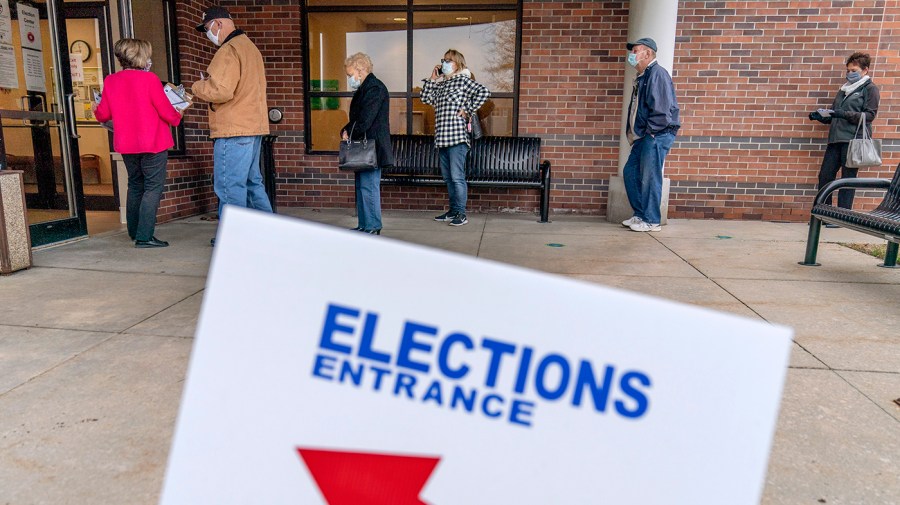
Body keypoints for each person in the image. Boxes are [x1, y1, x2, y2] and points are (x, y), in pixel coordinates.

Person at [191, 6, 272, 246]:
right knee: (251, 182)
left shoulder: (228, 50)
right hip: (253, 126)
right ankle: (270, 231)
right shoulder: (250, 48)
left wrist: (197, 87)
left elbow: (221, 90)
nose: (208, 33)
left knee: (229, 186)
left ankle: (233, 237)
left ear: (218, 24)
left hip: (234, 129)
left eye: (207, 28)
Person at [94, 38, 182, 248]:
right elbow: (166, 112)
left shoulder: (111, 81)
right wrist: (178, 113)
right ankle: (144, 236)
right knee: (153, 188)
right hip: (153, 142)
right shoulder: (149, 79)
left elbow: (103, 113)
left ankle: (134, 232)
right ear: (140, 56)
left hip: (127, 144)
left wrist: (95, 110)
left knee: (135, 185)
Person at [808, 52, 880, 225]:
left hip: (852, 141)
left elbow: (869, 116)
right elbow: (835, 114)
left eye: (853, 70)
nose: (849, 73)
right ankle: (824, 215)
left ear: (865, 70)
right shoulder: (844, 89)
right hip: (835, 140)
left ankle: (842, 218)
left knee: (847, 180)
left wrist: (844, 114)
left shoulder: (870, 89)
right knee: (825, 176)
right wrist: (820, 116)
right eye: (848, 70)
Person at [421, 49, 490, 227]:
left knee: (457, 177)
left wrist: (467, 110)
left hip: (457, 138)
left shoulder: (462, 80)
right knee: (448, 178)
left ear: (457, 63)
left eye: (448, 60)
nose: (444, 63)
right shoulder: (443, 84)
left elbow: (484, 92)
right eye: (443, 60)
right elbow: (426, 98)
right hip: (442, 138)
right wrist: (432, 79)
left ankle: (461, 213)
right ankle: (452, 211)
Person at [621, 37, 680, 233]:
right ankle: (640, 214)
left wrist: (652, 133)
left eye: (635, 51)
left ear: (647, 53)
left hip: (655, 134)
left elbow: (662, 109)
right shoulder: (643, 76)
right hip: (644, 136)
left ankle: (652, 220)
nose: (632, 55)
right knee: (630, 172)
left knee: (650, 176)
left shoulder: (657, 74)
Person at [341, 53, 393, 235]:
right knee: (362, 186)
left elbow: (365, 119)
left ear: (360, 70)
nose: (349, 79)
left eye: (350, 75)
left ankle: (372, 226)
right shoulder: (367, 88)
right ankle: (365, 225)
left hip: (372, 146)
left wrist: (350, 131)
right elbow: (359, 119)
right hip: (366, 145)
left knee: (369, 186)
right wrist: (347, 129)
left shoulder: (375, 88)